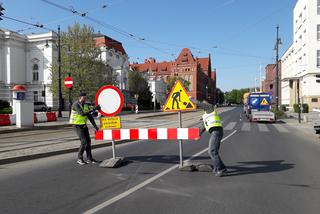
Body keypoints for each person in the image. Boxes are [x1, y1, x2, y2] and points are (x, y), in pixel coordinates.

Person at [69, 92, 101, 165]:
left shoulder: (86, 105)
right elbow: (82, 114)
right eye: (84, 97)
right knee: (84, 142)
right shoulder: (76, 104)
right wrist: (93, 109)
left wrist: (95, 127)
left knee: (88, 142)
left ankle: (89, 158)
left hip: (83, 125)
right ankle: (79, 158)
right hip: (76, 125)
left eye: (85, 97)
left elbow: (90, 117)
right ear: (80, 97)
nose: (85, 99)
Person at [199, 104, 227, 177]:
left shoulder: (210, 108)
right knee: (214, 151)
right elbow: (203, 126)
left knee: (212, 151)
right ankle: (217, 167)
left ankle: (221, 169)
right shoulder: (205, 115)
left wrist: (191, 99)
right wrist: (198, 134)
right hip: (215, 132)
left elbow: (199, 103)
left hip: (217, 131)